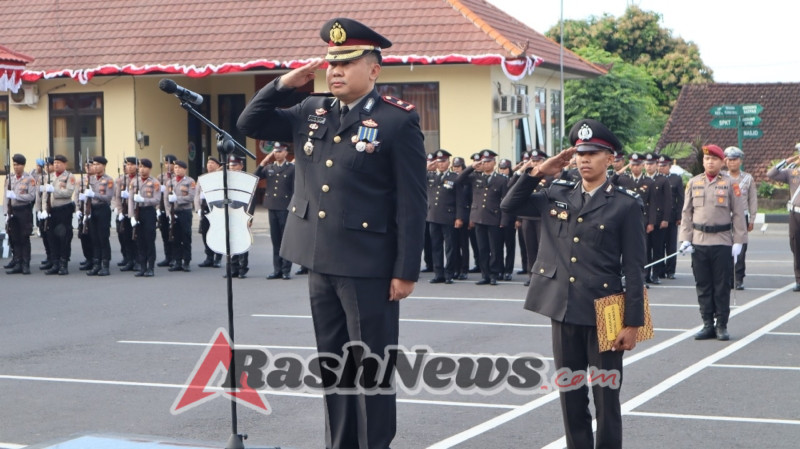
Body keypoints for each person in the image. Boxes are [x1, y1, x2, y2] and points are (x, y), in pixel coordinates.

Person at [237, 17, 427, 449]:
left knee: (371, 369)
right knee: (335, 367)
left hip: (369, 265)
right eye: (330, 64)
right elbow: (250, 122)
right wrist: (285, 84)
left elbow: (412, 202)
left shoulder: (397, 122)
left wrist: (406, 270)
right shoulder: (311, 110)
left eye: (347, 63)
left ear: (374, 70)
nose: (335, 71)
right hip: (320, 260)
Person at [501, 118, 645, 449]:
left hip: (607, 310)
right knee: (571, 393)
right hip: (562, 305)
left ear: (610, 159)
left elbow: (634, 268)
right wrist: (539, 172)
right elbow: (509, 206)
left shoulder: (626, 204)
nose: (584, 159)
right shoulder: (556, 192)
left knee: (606, 396)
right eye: (580, 153)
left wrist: (633, 322)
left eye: (593, 153)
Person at [679, 144, 746, 341]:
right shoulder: (693, 183)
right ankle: (707, 323)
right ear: (703, 161)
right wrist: (685, 239)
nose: (710, 162)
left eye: (714, 159)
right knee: (703, 285)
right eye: (707, 159)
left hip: (722, 241)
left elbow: (739, 213)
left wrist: (739, 241)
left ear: (721, 162)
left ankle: (721, 325)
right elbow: (686, 213)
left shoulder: (730, 183)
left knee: (721, 285)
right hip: (699, 241)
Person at [456, 149, 509, 285]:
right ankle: (485, 275)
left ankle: (493, 274)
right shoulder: (475, 176)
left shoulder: (501, 179)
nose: (485, 164)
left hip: (494, 218)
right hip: (478, 217)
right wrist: (472, 166)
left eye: (488, 162)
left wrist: (504, 220)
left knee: (495, 248)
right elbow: (458, 180)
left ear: (494, 163)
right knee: (482, 248)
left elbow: (505, 201)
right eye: (483, 162)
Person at [508, 149, 552, 286]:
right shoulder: (527, 177)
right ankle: (531, 275)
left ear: (544, 161)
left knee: (543, 250)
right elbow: (510, 187)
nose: (535, 163)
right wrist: (522, 170)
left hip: (543, 219)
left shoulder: (550, 176)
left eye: (538, 160)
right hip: (527, 218)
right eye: (533, 160)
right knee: (530, 248)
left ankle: (543, 276)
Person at [255, 141, 295, 280]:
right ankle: (277, 269)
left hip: (285, 207)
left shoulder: (291, 168)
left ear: (286, 153)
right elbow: (256, 176)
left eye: (280, 151)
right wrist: (264, 161)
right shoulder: (269, 167)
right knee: (276, 239)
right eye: (275, 151)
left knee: (285, 240)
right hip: (272, 206)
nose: (277, 154)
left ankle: (285, 270)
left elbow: (296, 189)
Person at [766, 143, 800, 292]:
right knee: (796, 246)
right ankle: (799, 280)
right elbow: (771, 174)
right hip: (795, 213)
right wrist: (787, 161)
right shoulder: (792, 172)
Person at [425, 149, 462, 284]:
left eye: (443, 162)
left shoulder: (454, 177)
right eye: (439, 162)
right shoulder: (430, 176)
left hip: (448, 217)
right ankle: (438, 273)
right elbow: (416, 180)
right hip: (433, 216)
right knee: (436, 246)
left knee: (450, 247)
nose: (441, 165)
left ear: (449, 162)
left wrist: (459, 217)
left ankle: (449, 274)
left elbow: (460, 199)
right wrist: (426, 168)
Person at [723, 146, 757, 290]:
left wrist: (752, 219)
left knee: (741, 248)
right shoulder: (722, 177)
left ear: (740, 161)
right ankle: (728, 278)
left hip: (742, 216)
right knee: (725, 248)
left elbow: (752, 200)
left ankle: (739, 278)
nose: (732, 163)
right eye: (729, 160)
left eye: (735, 160)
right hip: (724, 215)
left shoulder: (748, 178)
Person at [4, 154, 36, 275]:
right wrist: (6, 212)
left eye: (18, 165)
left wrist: (17, 196)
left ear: (23, 165)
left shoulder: (29, 179)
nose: (16, 167)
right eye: (14, 165)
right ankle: (17, 263)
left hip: (24, 210)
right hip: (13, 210)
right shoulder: (10, 178)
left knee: (24, 237)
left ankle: (25, 264)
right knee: (15, 237)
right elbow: (5, 196)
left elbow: (32, 196)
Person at [45, 155, 77, 275]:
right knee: (51, 237)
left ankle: (64, 263)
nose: (56, 165)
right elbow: (45, 195)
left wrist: (54, 190)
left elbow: (68, 192)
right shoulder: (50, 177)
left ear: (65, 164)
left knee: (64, 237)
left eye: (59, 162)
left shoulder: (69, 176)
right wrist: (43, 209)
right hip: (51, 210)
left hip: (64, 209)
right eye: (55, 163)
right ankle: (55, 263)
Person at [128, 158, 161, 277]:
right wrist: (131, 216)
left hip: (149, 212)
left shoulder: (155, 182)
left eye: (144, 167)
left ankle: (150, 267)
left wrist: (144, 200)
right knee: (139, 240)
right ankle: (142, 267)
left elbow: (157, 199)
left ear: (150, 169)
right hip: (138, 212)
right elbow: (130, 200)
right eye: (140, 167)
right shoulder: (134, 182)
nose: (142, 169)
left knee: (149, 240)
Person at [224, 154, 255, 279]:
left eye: (235, 165)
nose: (232, 168)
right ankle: (233, 268)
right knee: (231, 242)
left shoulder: (247, 180)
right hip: (230, 213)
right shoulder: (226, 179)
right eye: (230, 165)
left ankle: (242, 269)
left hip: (242, 213)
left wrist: (250, 216)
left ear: (241, 166)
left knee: (243, 241)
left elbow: (252, 200)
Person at [643, 152, 672, 284]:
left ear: (656, 165)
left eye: (652, 164)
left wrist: (666, 218)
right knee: (645, 249)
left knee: (658, 249)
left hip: (659, 220)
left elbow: (668, 201)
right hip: (645, 219)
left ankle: (656, 274)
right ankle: (646, 273)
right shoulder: (642, 180)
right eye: (647, 164)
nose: (649, 167)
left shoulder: (662, 180)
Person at [85, 156, 115, 276]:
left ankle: (105, 265)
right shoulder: (90, 179)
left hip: (103, 209)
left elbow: (108, 197)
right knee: (94, 237)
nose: (95, 166)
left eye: (98, 164)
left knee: (103, 237)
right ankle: (96, 264)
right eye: (94, 164)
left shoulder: (109, 180)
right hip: (92, 209)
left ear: (103, 166)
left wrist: (94, 194)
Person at [167, 160, 196, 272]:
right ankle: (177, 261)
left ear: (185, 169)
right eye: (175, 168)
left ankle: (186, 262)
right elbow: (166, 198)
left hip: (185, 212)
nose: (177, 170)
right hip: (174, 212)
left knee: (186, 237)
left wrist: (177, 199)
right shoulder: (170, 181)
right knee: (175, 237)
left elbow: (191, 197)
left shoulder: (190, 181)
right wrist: (169, 212)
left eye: (179, 167)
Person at [195, 156, 223, 268]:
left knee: (217, 233)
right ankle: (209, 257)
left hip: (217, 208)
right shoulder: (202, 178)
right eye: (208, 163)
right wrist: (198, 209)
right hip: (205, 208)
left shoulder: (220, 177)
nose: (209, 165)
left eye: (212, 163)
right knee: (205, 233)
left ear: (217, 165)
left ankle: (218, 258)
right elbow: (197, 194)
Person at [114, 157, 138, 272]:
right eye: (127, 165)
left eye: (132, 164)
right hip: (124, 211)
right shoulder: (121, 180)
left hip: (137, 212)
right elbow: (117, 197)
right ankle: (129, 260)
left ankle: (138, 261)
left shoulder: (140, 179)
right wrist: (118, 211)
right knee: (126, 237)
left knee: (137, 238)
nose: (129, 167)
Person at [450, 156, 471, 280]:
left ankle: (464, 269)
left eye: (458, 167)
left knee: (464, 244)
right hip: (453, 215)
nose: (456, 169)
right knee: (454, 244)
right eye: (455, 167)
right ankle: (456, 268)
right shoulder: (452, 179)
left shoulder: (467, 181)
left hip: (466, 216)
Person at [157, 154, 176, 268]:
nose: (167, 165)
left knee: (173, 234)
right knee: (164, 233)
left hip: (173, 208)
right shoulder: (160, 177)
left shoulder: (176, 176)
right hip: (162, 207)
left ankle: (175, 257)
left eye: (170, 163)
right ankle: (167, 257)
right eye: (166, 163)